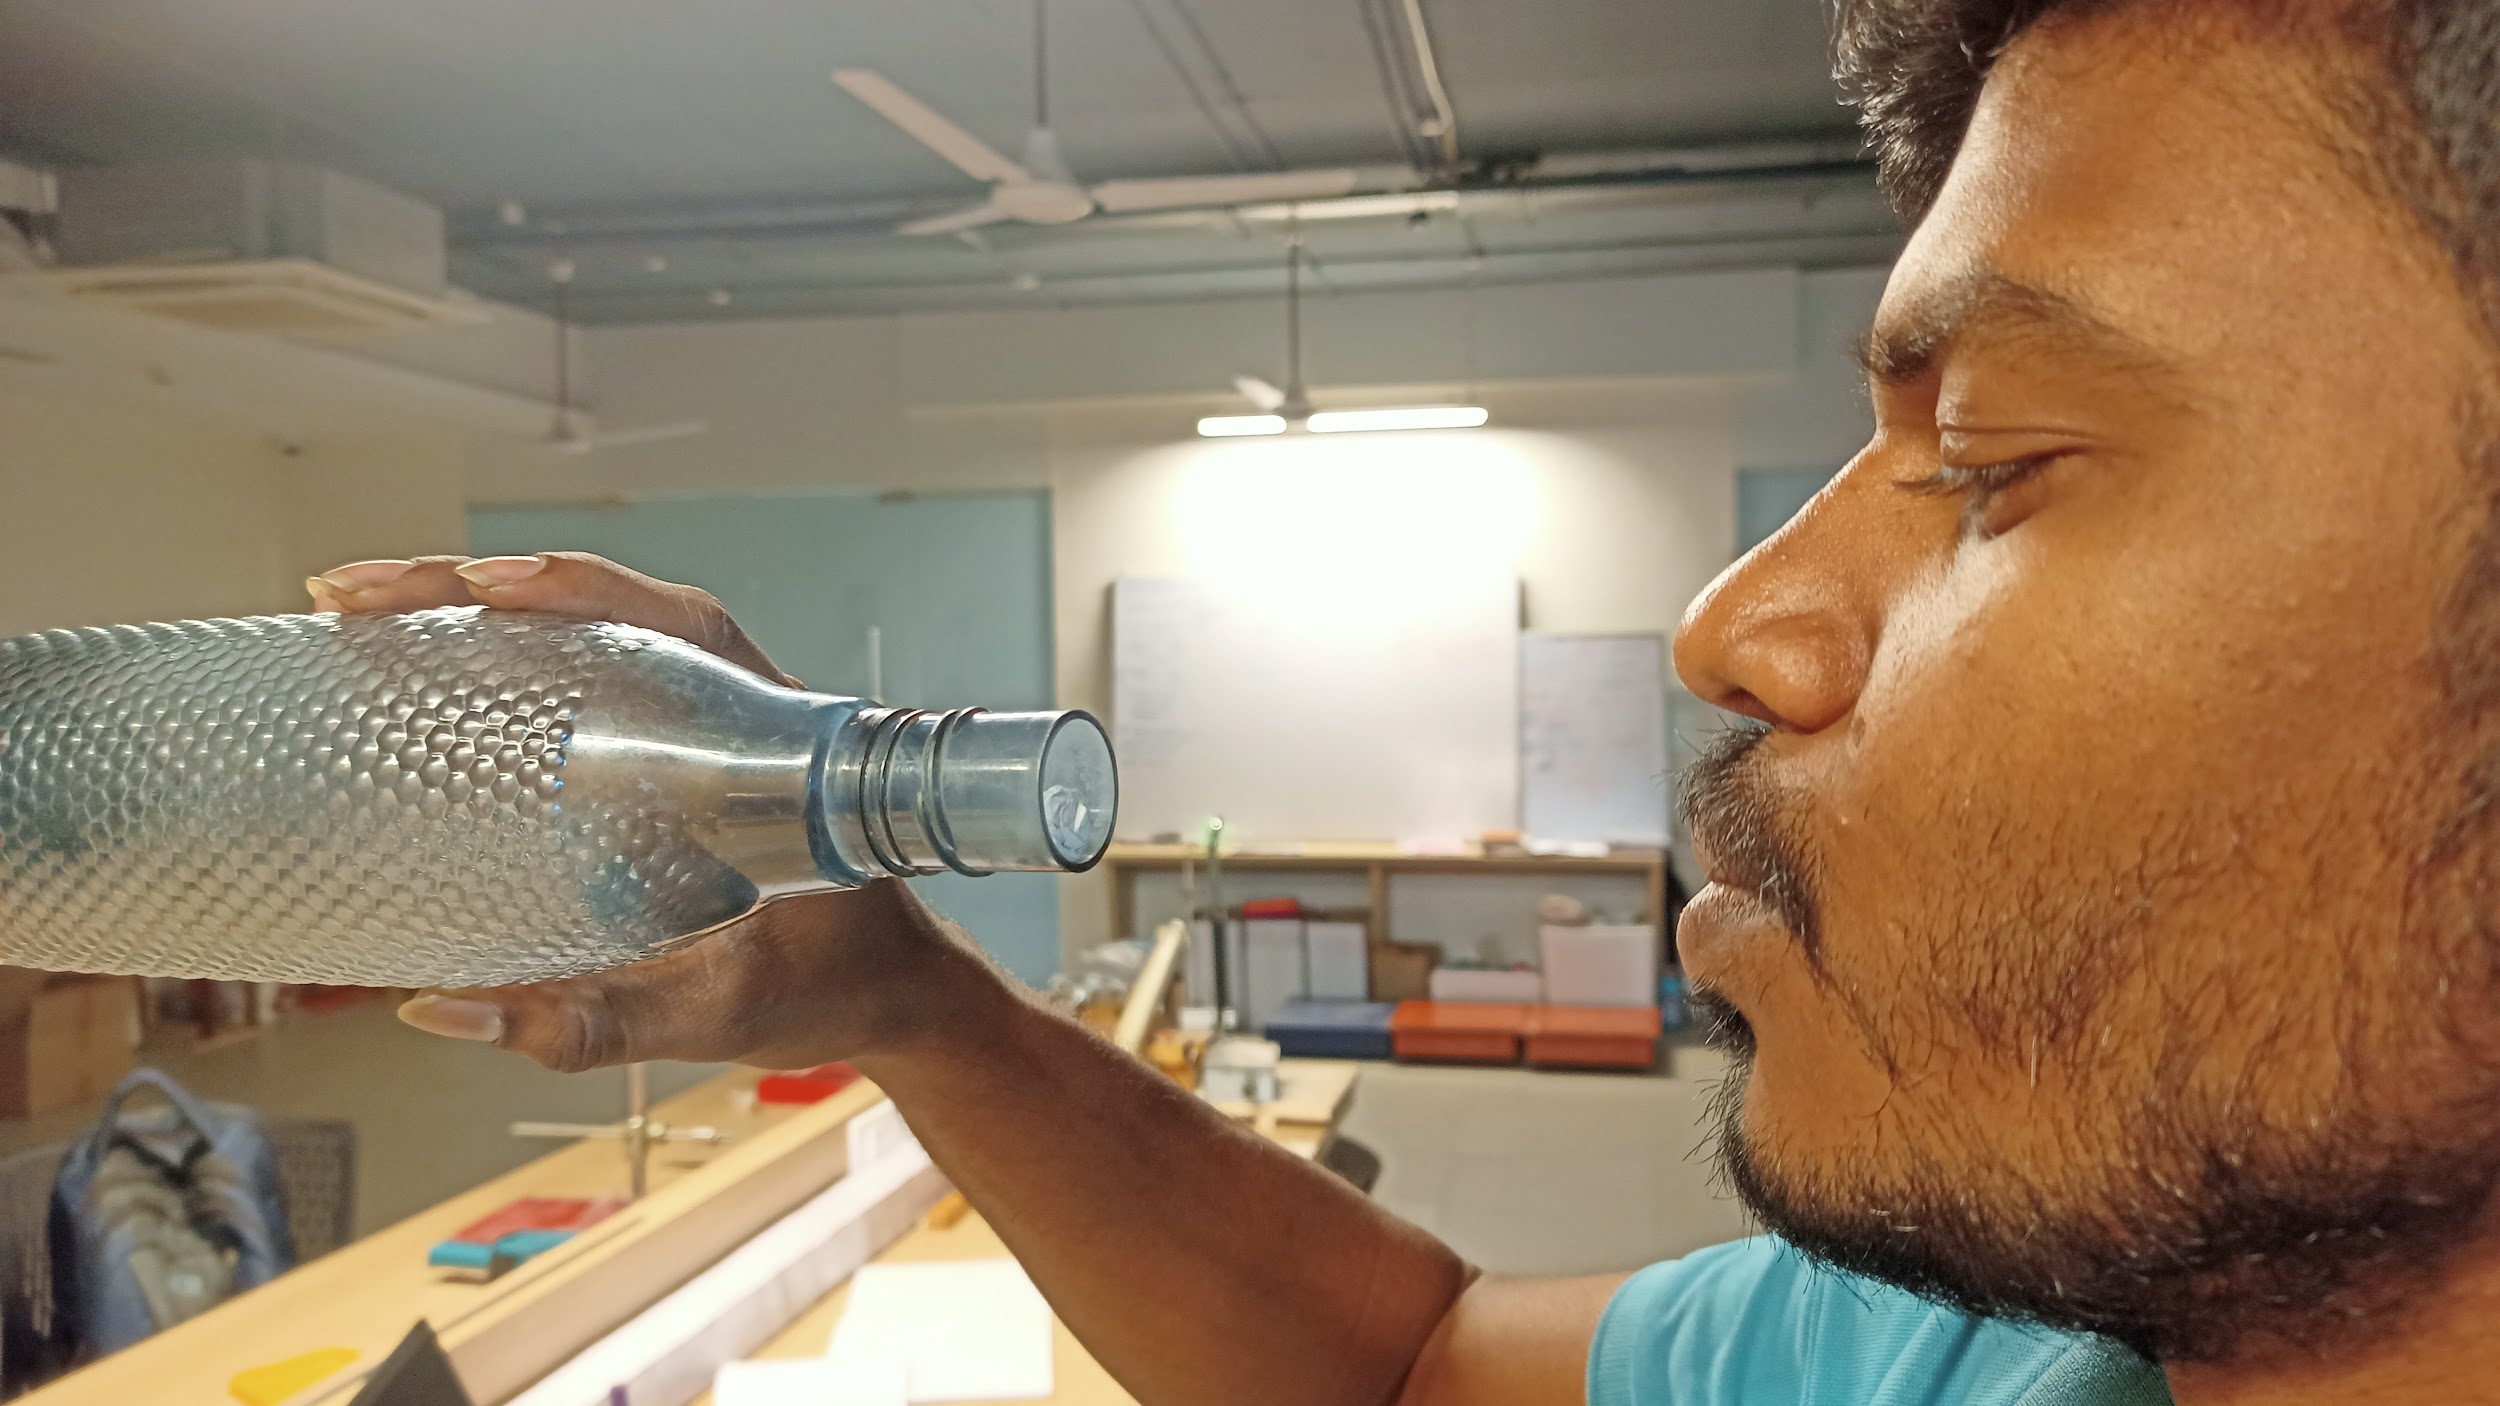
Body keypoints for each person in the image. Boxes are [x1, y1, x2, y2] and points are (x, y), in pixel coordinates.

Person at [307, 0, 2500, 1400]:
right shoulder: (1991, 1324)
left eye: (1994, 459)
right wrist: (911, 1001)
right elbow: (1412, 1361)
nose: (1735, 621)